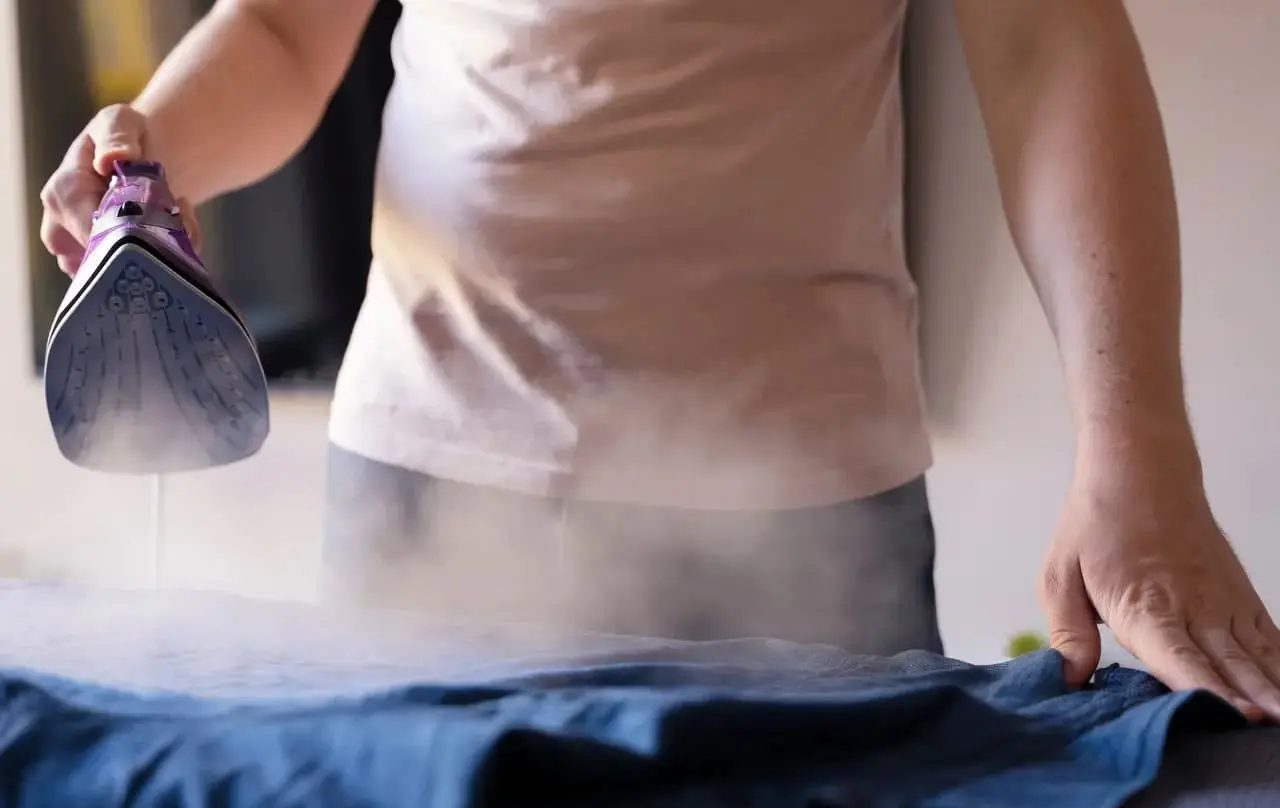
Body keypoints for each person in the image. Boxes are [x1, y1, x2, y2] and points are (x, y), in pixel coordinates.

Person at [39, 0, 1280, 719]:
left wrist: (1134, 451)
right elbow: (282, 27)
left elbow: (1042, 37)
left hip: (801, 508)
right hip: (425, 479)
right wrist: (157, 146)